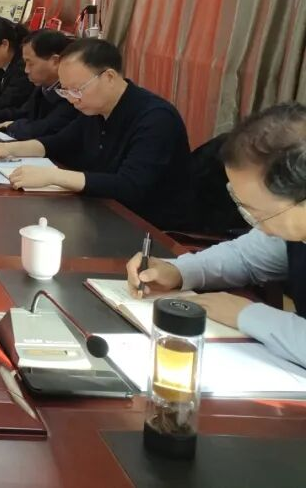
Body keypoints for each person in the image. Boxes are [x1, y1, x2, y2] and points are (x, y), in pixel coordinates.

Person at [126, 102, 306, 369]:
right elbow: (246, 257)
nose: (254, 222)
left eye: (258, 213)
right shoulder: (289, 229)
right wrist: (179, 271)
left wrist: (246, 314)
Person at [0, 38, 192, 230]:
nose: (72, 99)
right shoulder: (94, 109)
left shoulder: (156, 118)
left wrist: (53, 176)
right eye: (65, 90)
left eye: (77, 89)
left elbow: (130, 186)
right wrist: (10, 148)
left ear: (109, 77)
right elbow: (60, 142)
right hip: (102, 211)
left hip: (148, 228)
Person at [0, 29, 78, 141]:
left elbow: (45, 128)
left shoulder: (71, 93)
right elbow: (22, 113)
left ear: (55, 61)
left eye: (30, 63)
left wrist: (12, 126)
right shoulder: (43, 86)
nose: (26, 70)